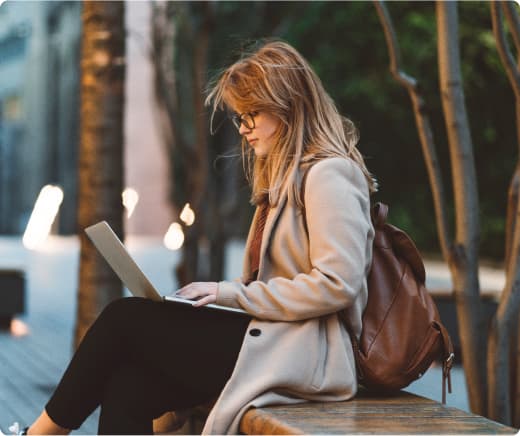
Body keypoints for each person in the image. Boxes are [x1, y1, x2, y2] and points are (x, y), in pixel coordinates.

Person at [4, 39, 376, 435]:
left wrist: (227, 293)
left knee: (123, 318)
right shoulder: (284, 180)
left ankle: (38, 434)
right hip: (274, 340)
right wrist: (224, 294)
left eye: (253, 114)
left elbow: (338, 284)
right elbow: (276, 285)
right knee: (129, 386)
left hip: (309, 355)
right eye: (239, 117)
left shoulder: (330, 174)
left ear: (290, 105)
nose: (244, 128)